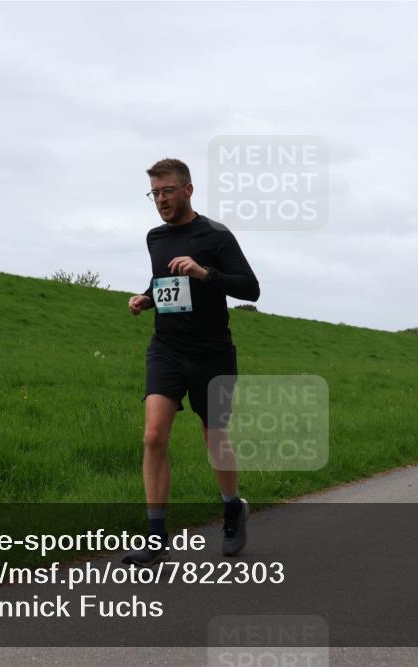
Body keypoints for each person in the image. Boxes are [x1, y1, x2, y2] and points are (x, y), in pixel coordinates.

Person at [123, 158, 260, 565]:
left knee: (213, 438)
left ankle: (233, 508)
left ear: (188, 190)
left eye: (167, 191)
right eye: (155, 193)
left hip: (212, 353)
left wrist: (204, 273)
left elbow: (250, 288)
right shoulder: (155, 238)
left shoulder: (216, 235)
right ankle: (155, 535)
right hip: (166, 348)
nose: (161, 200)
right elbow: (163, 282)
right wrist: (146, 298)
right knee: (153, 435)